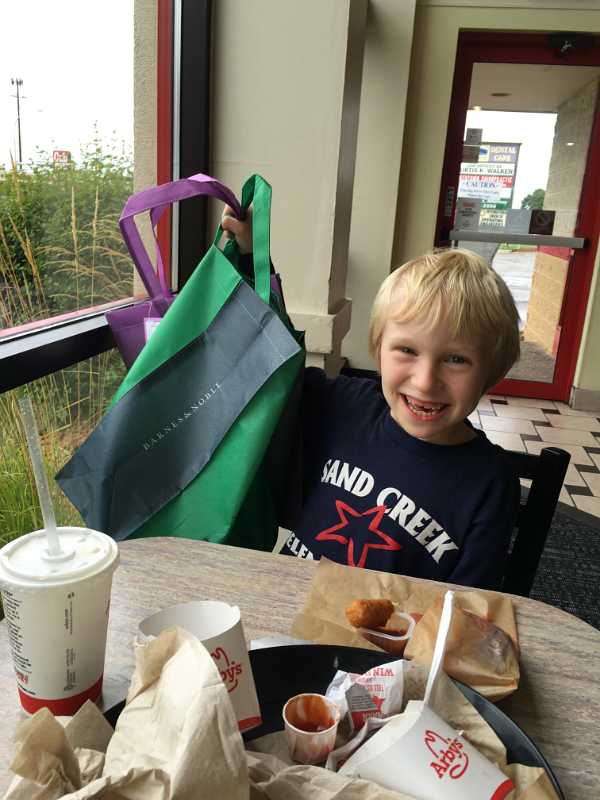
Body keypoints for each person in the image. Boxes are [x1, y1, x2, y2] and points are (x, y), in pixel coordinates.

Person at [222, 209, 520, 590]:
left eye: (456, 360)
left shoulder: (490, 484)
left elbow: (466, 606)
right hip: (280, 600)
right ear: (378, 350)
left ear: (491, 371)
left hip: (390, 628)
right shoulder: (343, 404)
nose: (425, 381)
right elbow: (272, 361)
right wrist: (251, 257)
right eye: (407, 351)